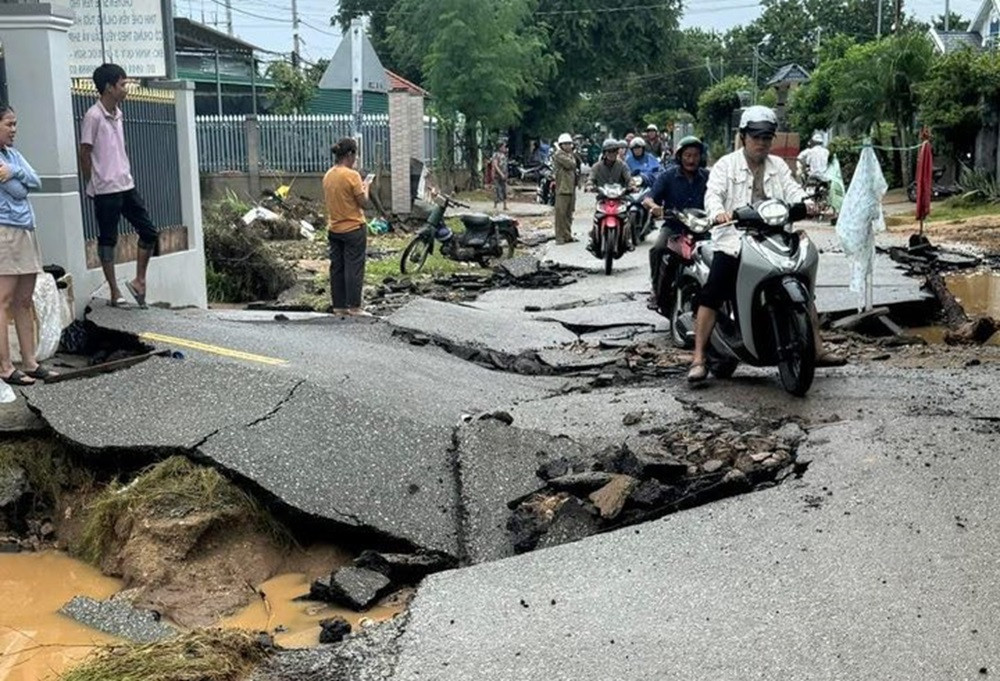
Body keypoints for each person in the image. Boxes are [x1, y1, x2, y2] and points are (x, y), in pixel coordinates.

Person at [688, 106, 844, 382]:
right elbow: (713, 194)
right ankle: (699, 357)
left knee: (802, 285)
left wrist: (808, 204)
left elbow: (794, 190)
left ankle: (816, 349)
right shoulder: (726, 165)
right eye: (756, 136)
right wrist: (718, 213)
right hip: (734, 239)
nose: (761, 142)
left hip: (775, 237)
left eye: (767, 137)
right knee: (713, 292)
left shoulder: (779, 166)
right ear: (744, 137)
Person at [79, 63, 159, 308]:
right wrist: (91, 182)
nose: (126, 88)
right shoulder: (93, 116)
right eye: (122, 84)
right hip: (106, 188)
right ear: (108, 87)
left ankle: (139, 281)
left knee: (149, 232)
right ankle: (115, 291)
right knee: (108, 239)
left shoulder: (119, 113)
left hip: (125, 184)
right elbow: (84, 151)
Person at [0, 104, 57, 385]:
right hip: (6, 231)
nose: (14, 130)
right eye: (9, 124)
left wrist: (15, 170)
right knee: (4, 299)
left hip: (26, 230)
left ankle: (30, 361)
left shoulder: (12, 157)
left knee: (24, 299)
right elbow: (17, 191)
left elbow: (35, 181)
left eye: (15, 124)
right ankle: (5, 366)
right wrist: (17, 176)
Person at [642, 135, 709, 306]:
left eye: (695, 155)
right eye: (687, 155)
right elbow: (648, 198)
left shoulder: (709, 177)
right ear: (679, 157)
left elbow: (723, 195)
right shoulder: (667, 176)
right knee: (658, 249)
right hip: (674, 227)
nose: (691, 160)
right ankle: (656, 290)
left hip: (702, 229)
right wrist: (654, 207)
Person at [323, 138, 373, 317]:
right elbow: (364, 203)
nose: (356, 159)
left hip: (334, 228)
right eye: (355, 155)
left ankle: (339, 306)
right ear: (350, 154)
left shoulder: (328, 174)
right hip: (353, 228)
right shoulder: (352, 176)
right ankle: (354, 307)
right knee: (354, 267)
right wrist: (365, 187)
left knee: (337, 268)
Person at [587, 139, 632, 252]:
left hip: (619, 198)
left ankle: (627, 239)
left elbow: (629, 178)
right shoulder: (597, 166)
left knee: (626, 216)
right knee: (597, 216)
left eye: (614, 151)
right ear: (604, 153)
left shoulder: (622, 165)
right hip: (603, 198)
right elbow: (591, 178)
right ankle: (593, 239)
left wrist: (632, 185)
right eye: (609, 151)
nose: (612, 154)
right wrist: (589, 185)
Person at [552, 133, 578, 244]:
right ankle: (559, 237)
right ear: (561, 145)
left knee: (569, 213)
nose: (568, 146)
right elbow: (571, 164)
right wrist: (572, 157)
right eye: (566, 144)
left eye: (569, 144)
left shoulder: (569, 154)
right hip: (562, 188)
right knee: (560, 214)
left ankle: (567, 235)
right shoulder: (559, 155)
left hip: (571, 188)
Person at [491, 142, 509, 211]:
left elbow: (505, 165)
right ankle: (495, 205)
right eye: (503, 147)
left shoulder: (504, 155)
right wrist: (501, 173)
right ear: (500, 147)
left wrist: (506, 174)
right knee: (497, 189)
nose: (505, 148)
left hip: (504, 174)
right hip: (497, 175)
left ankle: (505, 205)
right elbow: (495, 165)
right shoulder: (496, 155)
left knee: (504, 190)